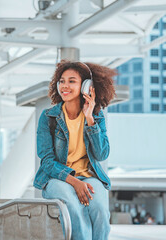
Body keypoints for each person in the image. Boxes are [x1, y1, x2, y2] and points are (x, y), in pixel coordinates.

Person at [33, 60, 116, 240]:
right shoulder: (48, 118)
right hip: (57, 179)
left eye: (72, 81)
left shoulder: (96, 116)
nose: (65, 86)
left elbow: (102, 154)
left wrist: (90, 120)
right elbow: (47, 161)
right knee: (73, 206)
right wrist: (74, 182)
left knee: (101, 211)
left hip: (88, 177)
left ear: (86, 87)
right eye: (62, 81)